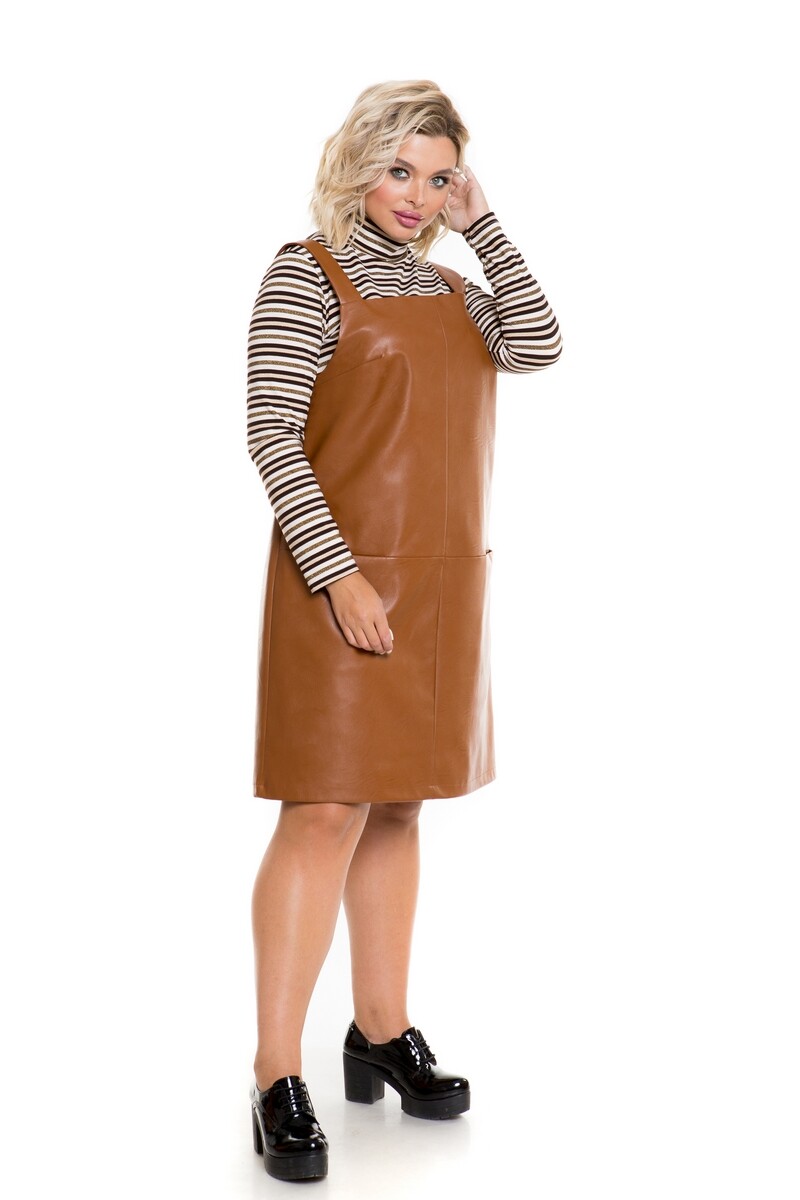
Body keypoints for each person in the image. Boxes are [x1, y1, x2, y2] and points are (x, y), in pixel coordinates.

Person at [246, 80, 562, 1182]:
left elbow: (540, 342)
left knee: (398, 804)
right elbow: (272, 432)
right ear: (357, 163)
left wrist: (485, 224)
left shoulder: (458, 290)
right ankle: (274, 1072)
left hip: (443, 591)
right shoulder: (306, 273)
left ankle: (380, 1028)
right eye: (399, 170)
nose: (417, 196)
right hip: (339, 583)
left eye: (438, 178)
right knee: (323, 808)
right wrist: (338, 577)